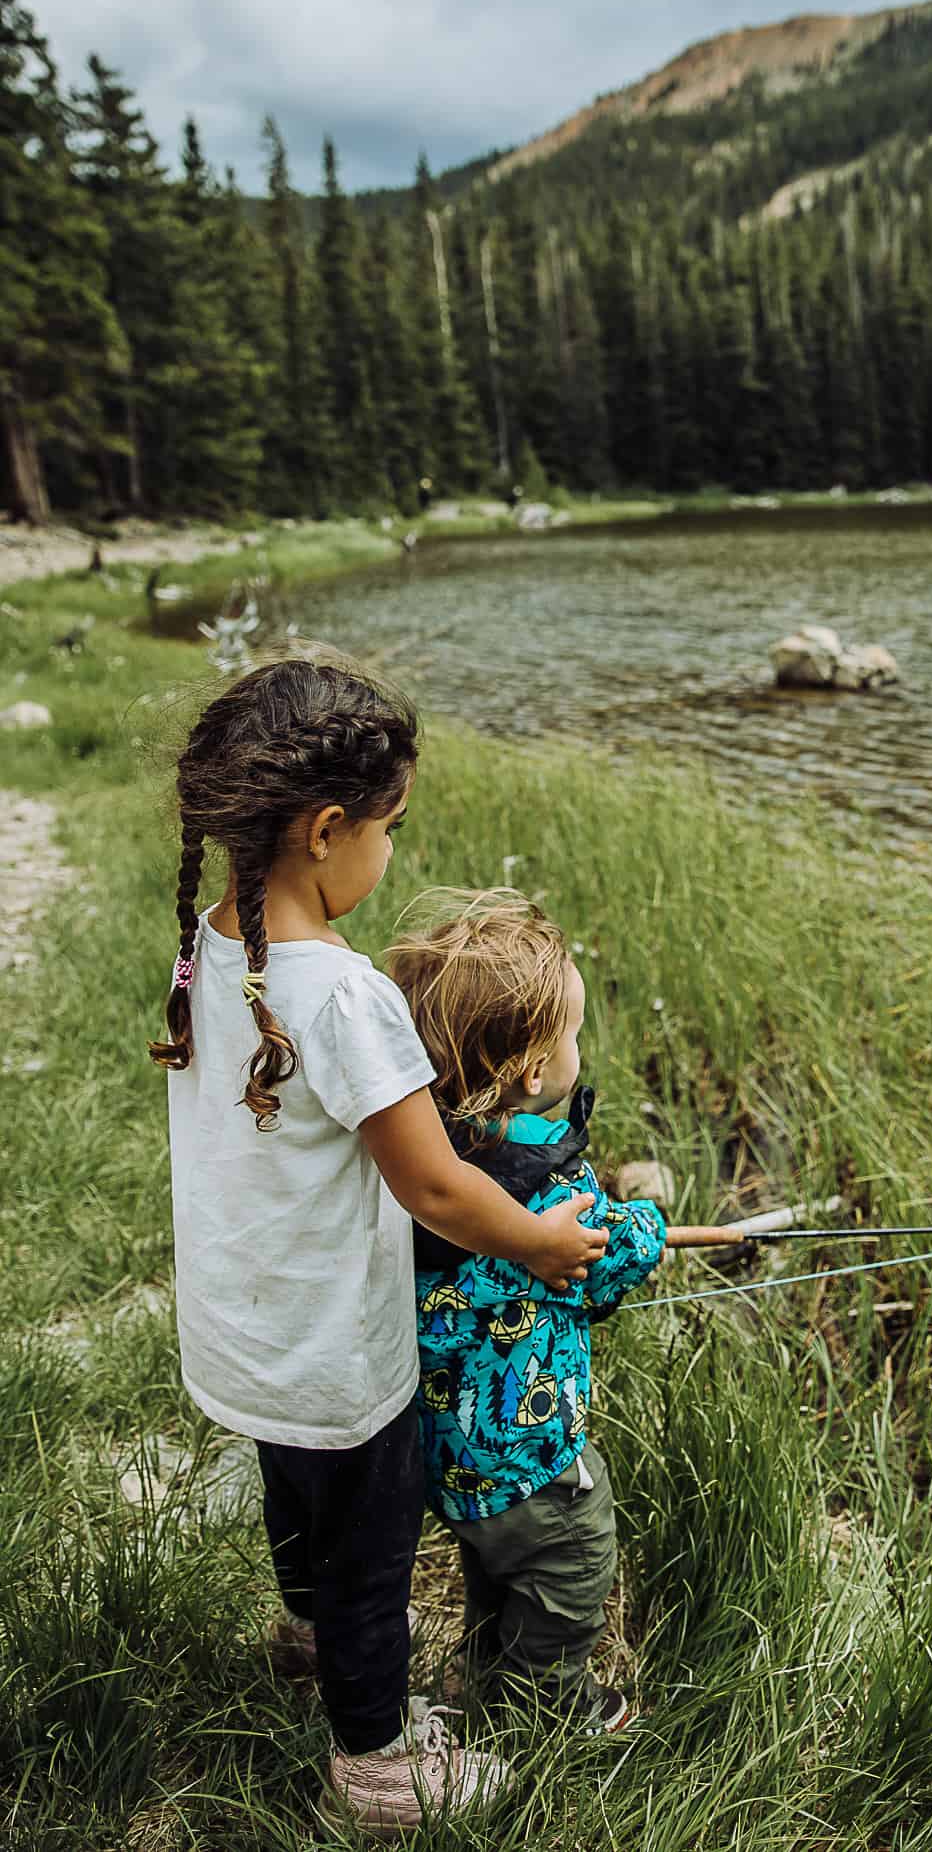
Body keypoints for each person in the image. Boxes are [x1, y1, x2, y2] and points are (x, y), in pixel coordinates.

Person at [149, 659, 607, 1839]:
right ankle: (376, 1769)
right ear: (326, 828)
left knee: (296, 1510)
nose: (393, 854)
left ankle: (307, 1646)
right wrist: (543, 1240)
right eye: (390, 829)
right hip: (338, 1360)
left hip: (247, 1330)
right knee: (370, 1561)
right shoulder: (345, 996)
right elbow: (439, 1187)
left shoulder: (212, 947)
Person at [386, 890, 667, 1735]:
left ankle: (488, 1671)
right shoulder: (547, 1189)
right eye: (572, 1033)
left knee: (492, 1564)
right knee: (573, 1566)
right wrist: (644, 1216)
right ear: (535, 1072)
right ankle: (547, 1708)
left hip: (449, 1455)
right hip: (533, 1457)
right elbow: (613, 1265)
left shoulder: (417, 1160)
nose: (580, 1045)